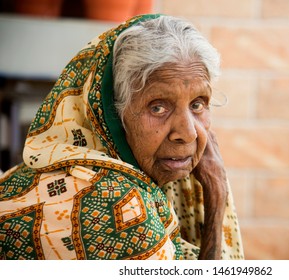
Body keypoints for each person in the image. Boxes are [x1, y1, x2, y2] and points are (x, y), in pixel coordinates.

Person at [0, 14, 244, 260]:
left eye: (198, 104)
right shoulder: (124, 208)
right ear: (112, 114)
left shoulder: (55, 169)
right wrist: (216, 194)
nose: (188, 133)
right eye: (158, 107)